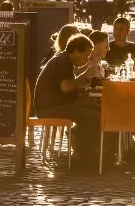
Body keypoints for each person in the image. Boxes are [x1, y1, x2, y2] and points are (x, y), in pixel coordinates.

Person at [34, 34, 102, 162]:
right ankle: (85, 155)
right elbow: (65, 87)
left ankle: (86, 146)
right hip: (50, 108)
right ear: (76, 51)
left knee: (97, 107)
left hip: (58, 104)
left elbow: (67, 87)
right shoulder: (61, 62)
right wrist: (85, 75)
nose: (87, 60)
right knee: (94, 117)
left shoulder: (64, 60)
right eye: (86, 56)